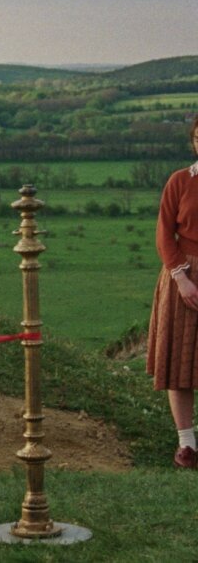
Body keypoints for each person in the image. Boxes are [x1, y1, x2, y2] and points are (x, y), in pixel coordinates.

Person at [149, 115, 198, 470]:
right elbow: (165, 233)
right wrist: (182, 278)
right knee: (181, 363)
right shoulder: (180, 181)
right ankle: (187, 445)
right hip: (186, 276)